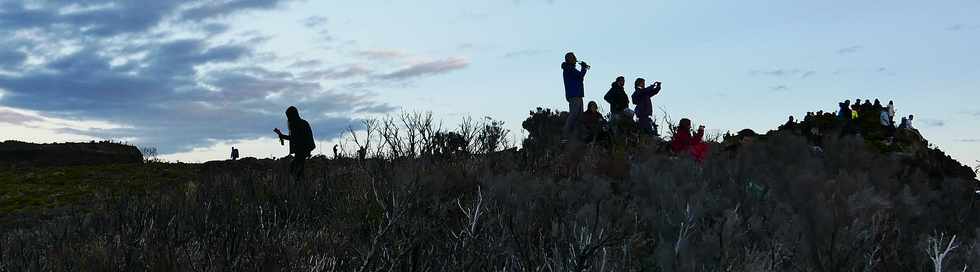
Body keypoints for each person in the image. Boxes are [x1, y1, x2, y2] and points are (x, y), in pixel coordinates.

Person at [274, 106, 316, 181]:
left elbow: (294, 138)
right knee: (298, 170)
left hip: (302, 149)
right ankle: (301, 186)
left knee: (295, 170)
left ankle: (299, 187)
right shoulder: (303, 122)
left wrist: (282, 136)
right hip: (305, 149)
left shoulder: (296, 124)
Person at [561, 52, 590, 141]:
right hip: (574, 95)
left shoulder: (569, 68)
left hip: (577, 94)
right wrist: (584, 68)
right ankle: (565, 134)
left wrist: (583, 68)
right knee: (574, 114)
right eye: (573, 58)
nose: (574, 59)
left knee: (579, 116)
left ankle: (578, 136)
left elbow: (579, 77)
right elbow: (580, 76)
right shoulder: (569, 69)